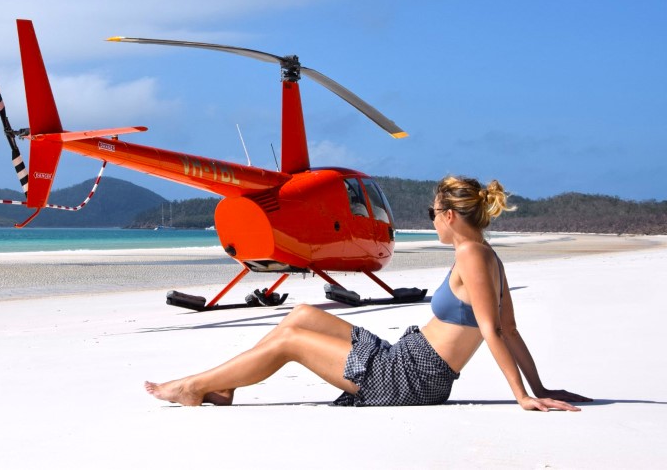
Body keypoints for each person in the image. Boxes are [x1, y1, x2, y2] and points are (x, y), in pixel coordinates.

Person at [145, 175, 590, 411]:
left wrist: (524, 395)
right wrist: (541, 384)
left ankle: (194, 386)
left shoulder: (474, 255)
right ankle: (224, 389)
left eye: (433, 212)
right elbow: (509, 327)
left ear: (451, 215)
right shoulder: (483, 253)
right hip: (404, 361)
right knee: (301, 315)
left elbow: (495, 331)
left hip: (410, 381)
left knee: (290, 342)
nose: (431, 219)